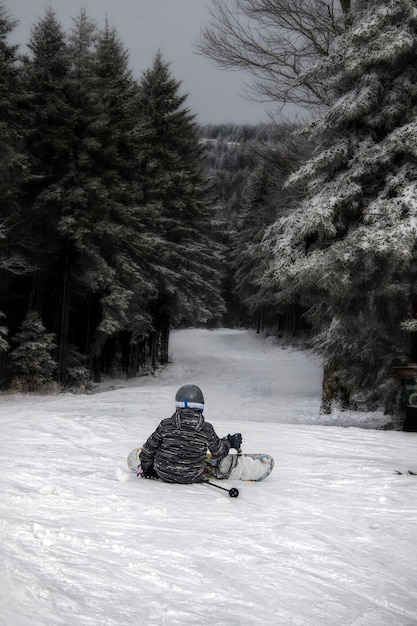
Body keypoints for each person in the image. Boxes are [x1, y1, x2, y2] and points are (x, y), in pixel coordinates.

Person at [139, 384, 242, 483]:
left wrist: (148, 470)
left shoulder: (165, 425)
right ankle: (209, 467)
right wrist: (228, 442)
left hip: (164, 474)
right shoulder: (206, 429)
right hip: (193, 476)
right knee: (206, 457)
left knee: (157, 450)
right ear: (201, 405)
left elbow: (147, 450)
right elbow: (219, 453)